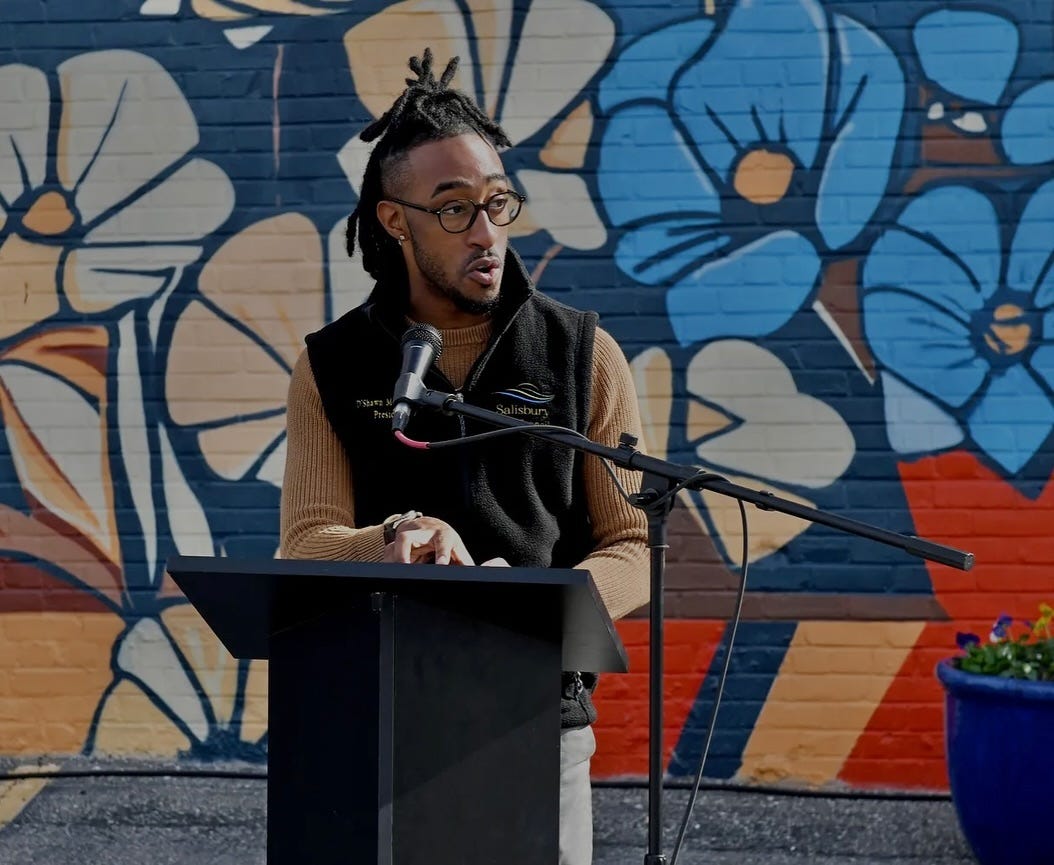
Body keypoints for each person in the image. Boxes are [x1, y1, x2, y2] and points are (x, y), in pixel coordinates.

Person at [279, 48, 648, 865]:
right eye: (454, 210)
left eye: (496, 203)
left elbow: (630, 545)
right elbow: (305, 545)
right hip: (376, 730)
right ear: (392, 220)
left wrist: (538, 612)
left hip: (536, 723)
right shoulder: (331, 366)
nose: (486, 233)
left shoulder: (583, 354)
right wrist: (396, 533)